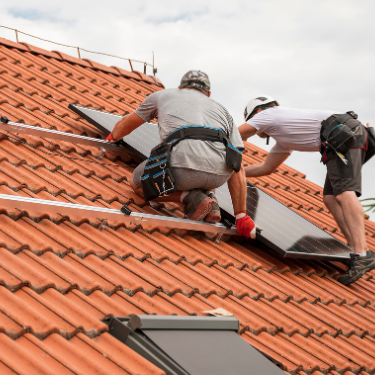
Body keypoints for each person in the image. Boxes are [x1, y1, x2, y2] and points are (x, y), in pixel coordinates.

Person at [238, 95, 375, 284]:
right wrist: (237, 174)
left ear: (257, 112)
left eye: (251, 120)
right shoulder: (284, 138)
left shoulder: (267, 114)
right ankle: (354, 247)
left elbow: (237, 135)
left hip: (342, 134)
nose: (255, 125)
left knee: (344, 194)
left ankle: (362, 253)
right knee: (330, 197)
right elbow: (265, 168)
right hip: (344, 136)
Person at [106, 70, 256, 239]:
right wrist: (241, 215)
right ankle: (211, 199)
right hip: (218, 176)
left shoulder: (162, 96)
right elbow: (237, 163)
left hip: (181, 168)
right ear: (208, 94)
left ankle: (192, 197)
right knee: (211, 156)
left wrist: (113, 136)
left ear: (180, 87)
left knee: (137, 183)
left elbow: (127, 123)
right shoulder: (223, 112)